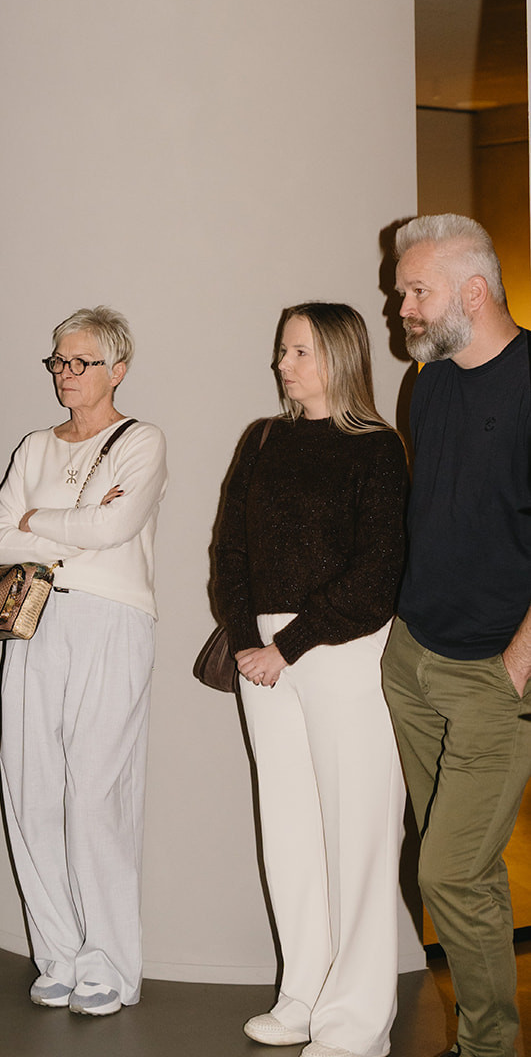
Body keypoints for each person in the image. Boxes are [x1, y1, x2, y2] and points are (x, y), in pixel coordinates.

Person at [213, 302, 408, 1057]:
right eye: (281, 351)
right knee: (289, 830)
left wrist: (286, 646)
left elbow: (378, 573)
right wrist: (245, 640)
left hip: (343, 651)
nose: (282, 364)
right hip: (261, 656)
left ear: (338, 356)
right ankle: (303, 995)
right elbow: (229, 551)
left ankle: (357, 1022)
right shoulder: (262, 440)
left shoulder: (377, 449)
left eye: (298, 351)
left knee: (358, 835)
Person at [0, 305, 167, 1017]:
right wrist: (70, 526)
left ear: (117, 369)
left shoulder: (140, 440)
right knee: (28, 783)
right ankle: (58, 953)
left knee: (96, 791)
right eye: (58, 361)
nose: (65, 373)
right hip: (33, 616)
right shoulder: (34, 446)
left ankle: (110, 963)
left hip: (112, 619)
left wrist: (37, 521)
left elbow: (115, 524)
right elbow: (0, 539)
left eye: (81, 361)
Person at [381, 214, 531, 1057]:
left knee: (446, 870)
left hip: (492, 675)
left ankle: (487, 1046)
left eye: (415, 291)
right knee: (466, 874)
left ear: (472, 293)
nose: (399, 306)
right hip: (413, 661)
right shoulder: (430, 382)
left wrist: (515, 664)